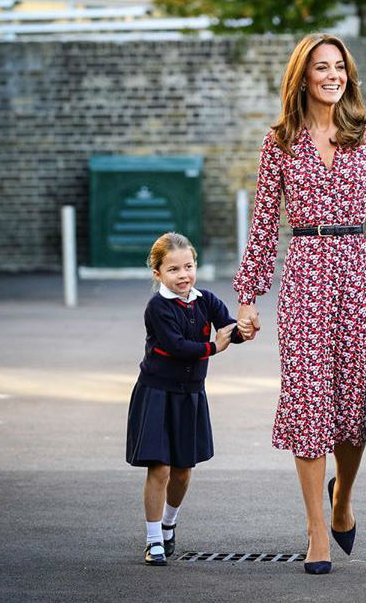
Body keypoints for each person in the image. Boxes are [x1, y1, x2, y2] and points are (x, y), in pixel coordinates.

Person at [233, 34, 366, 575]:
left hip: (355, 272)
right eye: (321, 68)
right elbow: (264, 223)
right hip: (305, 272)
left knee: (353, 410)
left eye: (339, 67)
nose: (331, 75)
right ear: (302, 78)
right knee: (309, 403)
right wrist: (248, 296)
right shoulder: (279, 142)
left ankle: (342, 500)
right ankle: (316, 530)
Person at [125, 232, 244, 566]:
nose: (183, 275)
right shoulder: (157, 308)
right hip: (157, 393)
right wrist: (213, 347)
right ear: (158, 273)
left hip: (190, 395)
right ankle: (153, 541)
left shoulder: (205, 299)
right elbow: (177, 347)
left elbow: (228, 326)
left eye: (188, 266)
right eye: (174, 269)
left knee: (182, 471)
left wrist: (243, 330)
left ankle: (168, 524)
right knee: (159, 467)